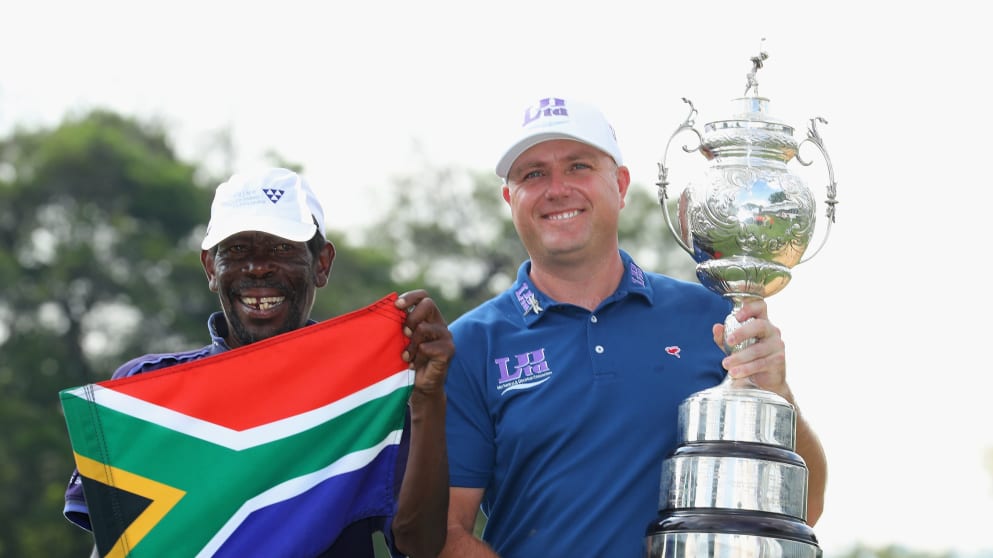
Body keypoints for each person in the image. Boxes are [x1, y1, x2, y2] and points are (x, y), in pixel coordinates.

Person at [439, 96, 828, 557]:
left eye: (578, 166)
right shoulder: (470, 344)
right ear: (510, 199)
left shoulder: (710, 316)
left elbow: (804, 508)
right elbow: (445, 533)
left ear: (620, 185)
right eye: (533, 174)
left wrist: (777, 393)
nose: (557, 189)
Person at [63, 167, 453, 558]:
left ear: (321, 264)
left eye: (282, 248)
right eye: (236, 250)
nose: (258, 267)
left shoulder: (366, 394)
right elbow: (116, 548)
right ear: (210, 267)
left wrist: (428, 400)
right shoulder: (145, 389)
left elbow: (419, 544)